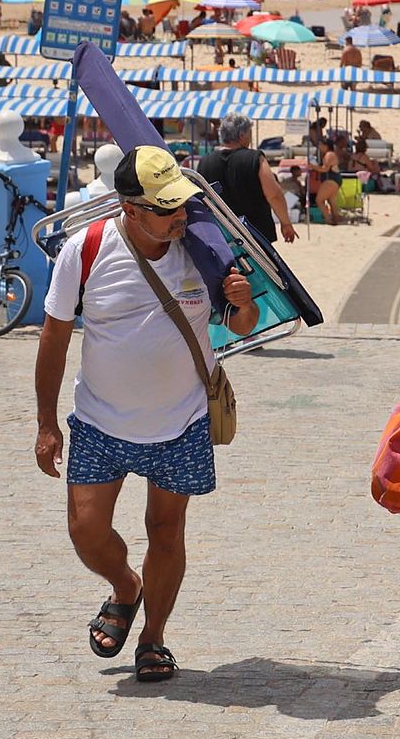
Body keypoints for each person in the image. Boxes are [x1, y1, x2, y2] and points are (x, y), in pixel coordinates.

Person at [35, 146, 258, 682]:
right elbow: (54, 340)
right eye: (166, 208)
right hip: (99, 421)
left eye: (182, 204)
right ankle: (125, 587)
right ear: (130, 209)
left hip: (180, 423)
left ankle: (154, 637)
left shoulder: (204, 252)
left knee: (166, 529)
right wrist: (45, 423)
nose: (180, 216)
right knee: (86, 532)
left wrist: (244, 302)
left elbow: (244, 325)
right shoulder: (86, 250)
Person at [198, 112, 297, 243]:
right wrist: (286, 223)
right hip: (254, 232)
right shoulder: (254, 158)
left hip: (221, 232)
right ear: (241, 135)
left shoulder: (205, 161)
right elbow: (274, 194)